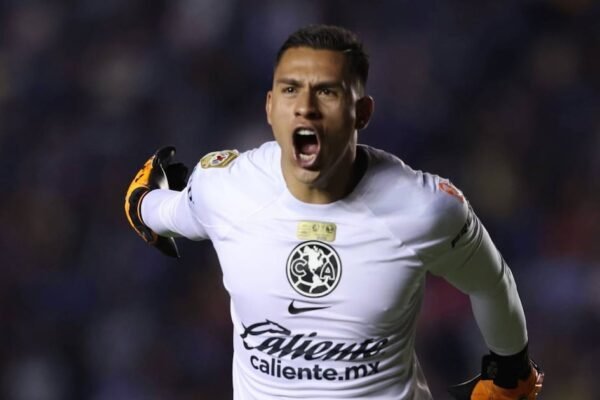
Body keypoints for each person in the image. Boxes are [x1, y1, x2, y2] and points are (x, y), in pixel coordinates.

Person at [125, 25, 543, 400]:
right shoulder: (227, 188)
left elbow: (491, 282)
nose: (306, 106)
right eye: (290, 89)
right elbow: (163, 212)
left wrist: (511, 372)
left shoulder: (424, 208)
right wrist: (142, 203)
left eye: (327, 91)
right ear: (270, 108)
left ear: (362, 112)